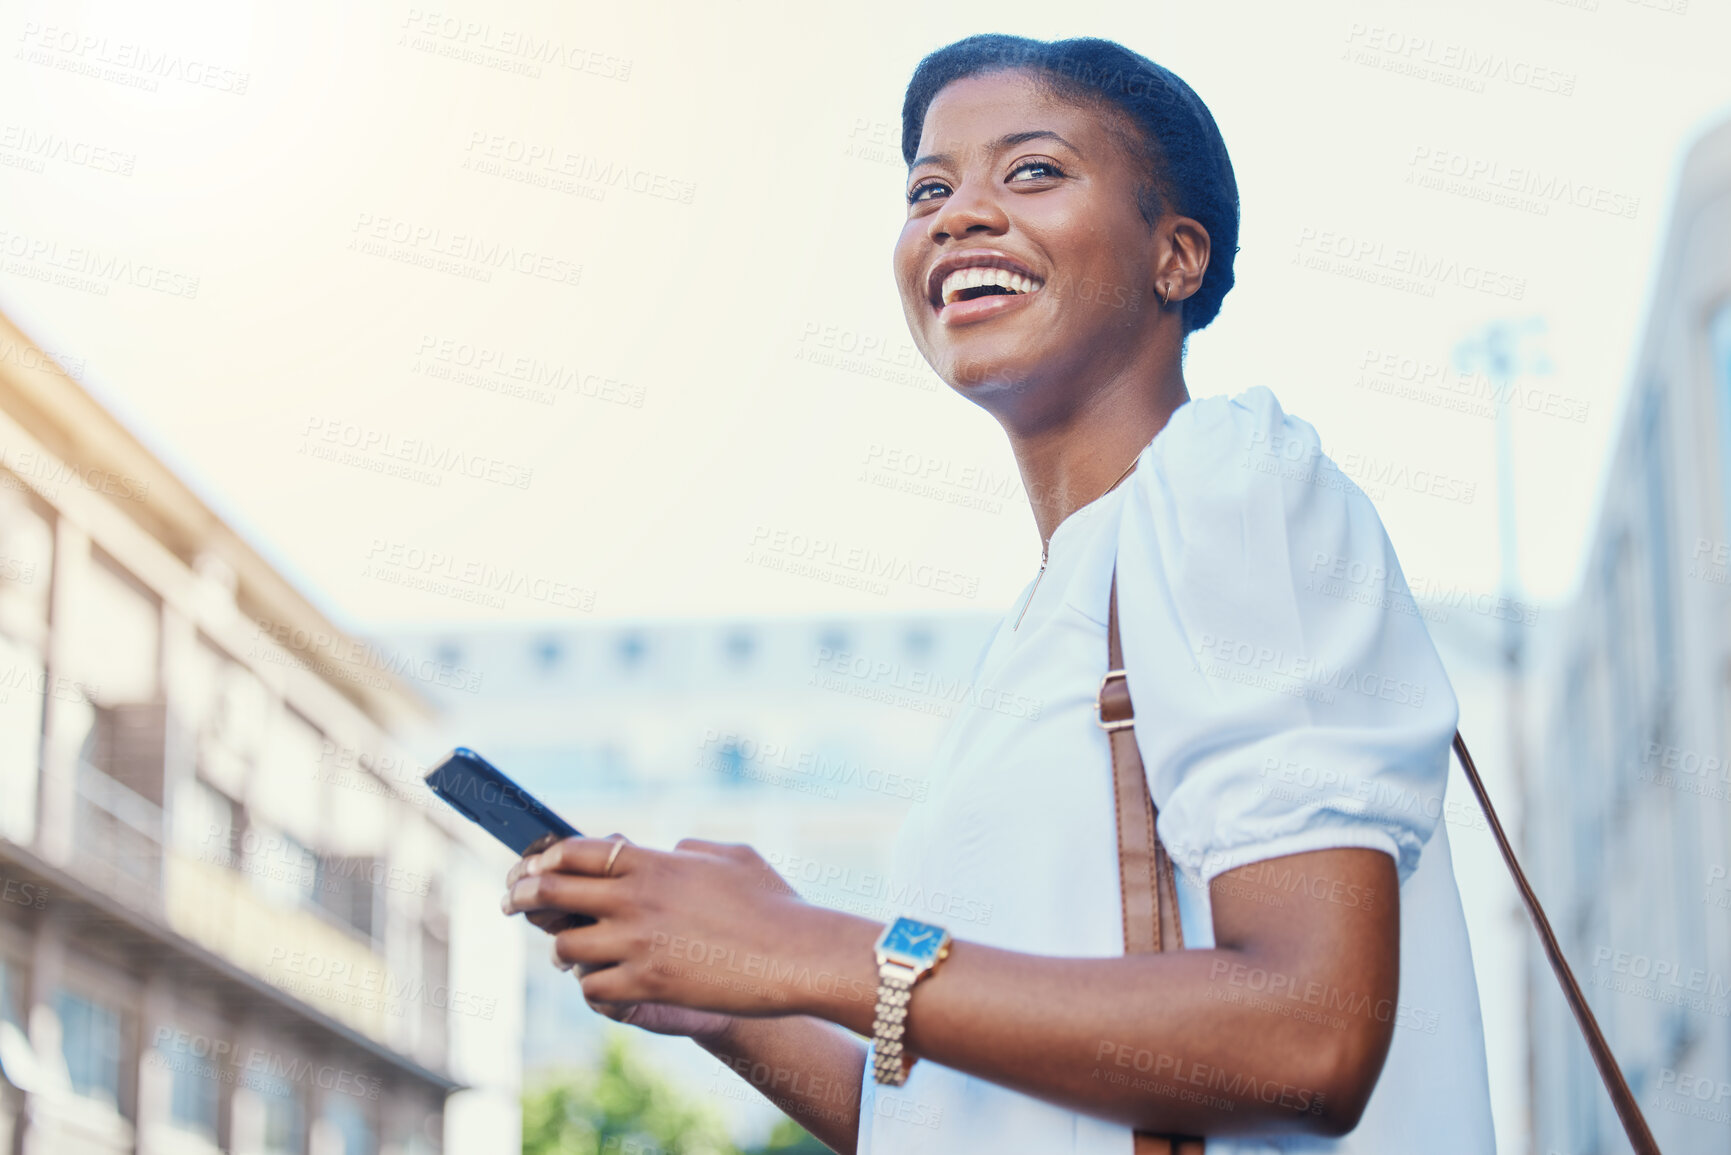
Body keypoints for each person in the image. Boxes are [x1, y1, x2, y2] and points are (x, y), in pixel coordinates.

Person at [503, 33, 1495, 1154]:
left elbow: (1311, 1037)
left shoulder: (1229, 480)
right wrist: (733, 1002)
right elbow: (965, 1122)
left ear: (1177, 257)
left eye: (1031, 170)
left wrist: (803, 943)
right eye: (929, 186)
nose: (957, 214)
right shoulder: (1050, 620)